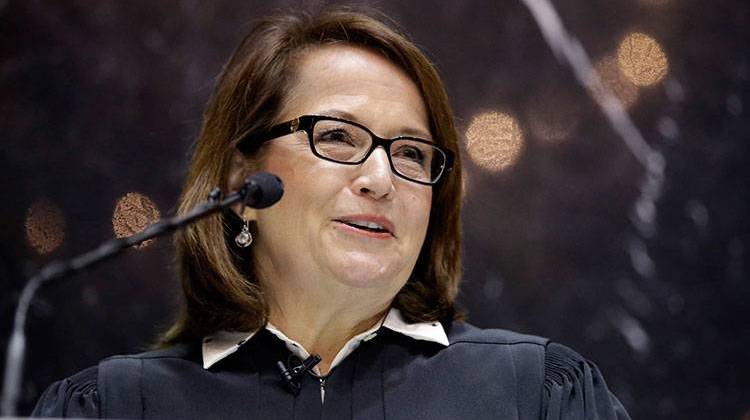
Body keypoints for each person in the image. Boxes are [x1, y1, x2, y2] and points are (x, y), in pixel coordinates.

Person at [32, 7, 630, 419]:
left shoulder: (535, 396)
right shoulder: (115, 406)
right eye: (339, 137)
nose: (380, 178)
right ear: (243, 177)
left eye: (411, 153)